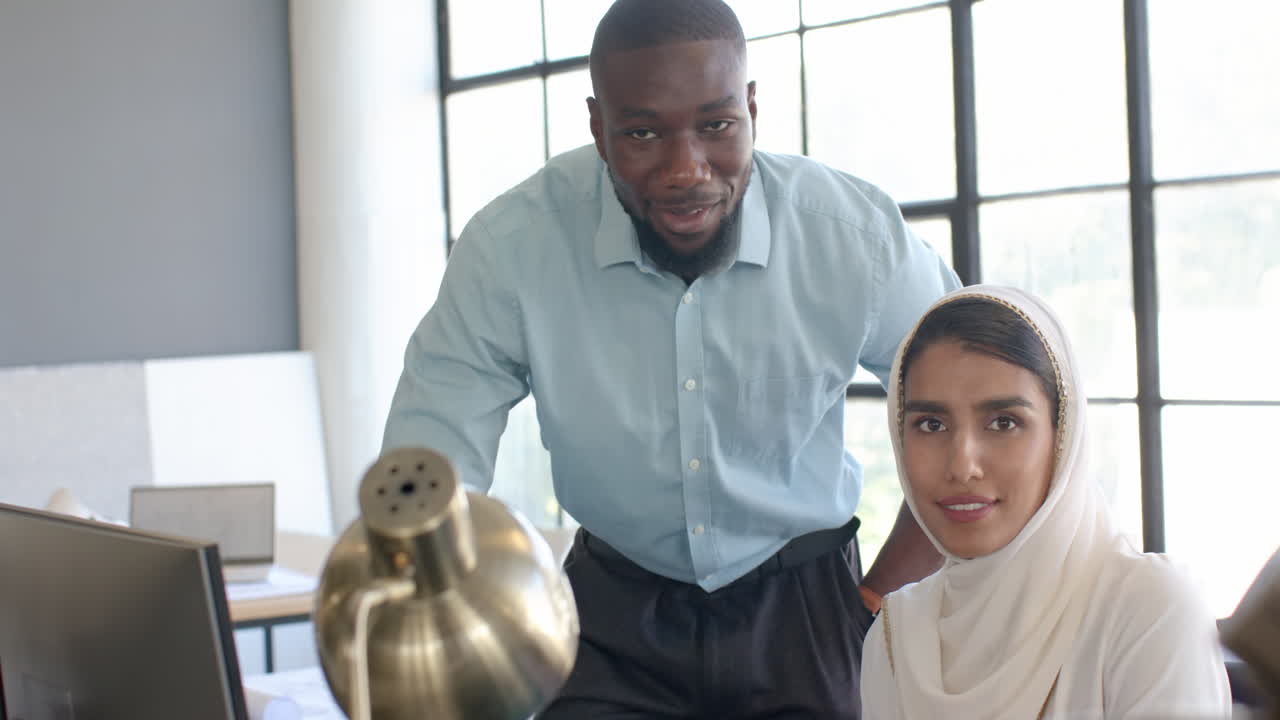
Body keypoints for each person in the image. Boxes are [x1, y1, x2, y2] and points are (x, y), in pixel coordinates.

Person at [383, 0, 958, 716]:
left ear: (751, 108)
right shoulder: (511, 248)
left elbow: (977, 407)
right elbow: (432, 452)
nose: (687, 170)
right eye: (643, 133)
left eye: (717, 126)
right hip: (610, 612)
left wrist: (877, 602)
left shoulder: (852, 238)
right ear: (599, 128)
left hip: (807, 609)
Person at [860, 285, 1232, 719]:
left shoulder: (1147, 609)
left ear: (1063, 435)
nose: (962, 466)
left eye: (1003, 422)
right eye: (931, 424)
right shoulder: (896, 634)